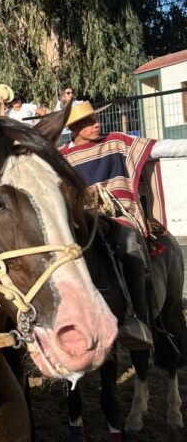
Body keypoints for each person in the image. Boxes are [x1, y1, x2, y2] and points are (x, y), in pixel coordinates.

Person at [60, 101, 187, 350]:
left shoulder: (117, 142)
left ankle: (138, 320)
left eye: (95, 119)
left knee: (130, 247)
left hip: (119, 217)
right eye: (88, 122)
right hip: (81, 221)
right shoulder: (62, 158)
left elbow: (158, 148)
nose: (96, 124)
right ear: (74, 128)